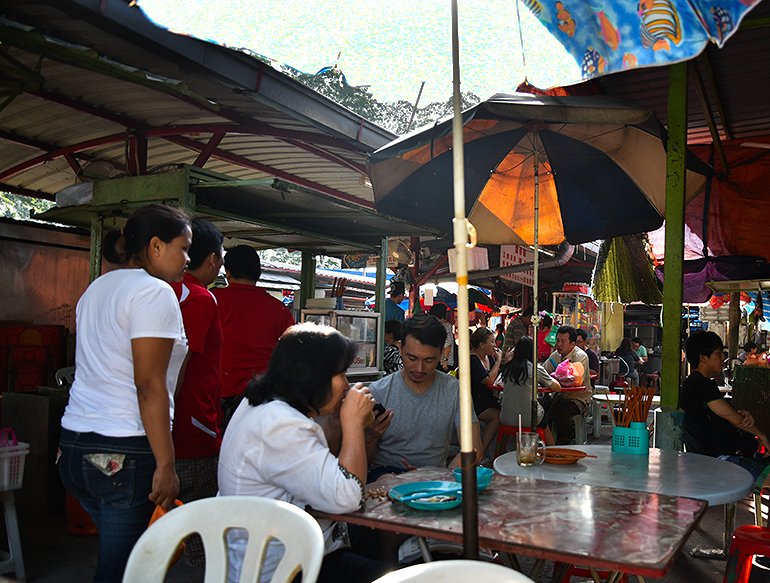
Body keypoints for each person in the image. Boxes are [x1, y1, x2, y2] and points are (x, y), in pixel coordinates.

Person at [58, 204, 190, 583]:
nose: (187, 259)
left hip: (73, 447)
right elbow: (148, 385)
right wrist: (166, 465)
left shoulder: (96, 289)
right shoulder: (154, 293)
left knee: (123, 559)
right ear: (155, 246)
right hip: (123, 451)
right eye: (182, 247)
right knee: (125, 572)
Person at [218, 323, 390, 583]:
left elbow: (320, 468)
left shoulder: (263, 404)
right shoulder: (281, 425)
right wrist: (353, 422)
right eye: (341, 374)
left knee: (367, 537)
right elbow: (348, 498)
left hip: (280, 549)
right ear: (314, 376)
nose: (346, 385)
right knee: (392, 575)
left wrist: (335, 420)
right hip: (280, 570)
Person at [168, 218, 224, 566]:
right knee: (201, 529)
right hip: (191, 424)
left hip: (158, 426)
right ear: (213, 259)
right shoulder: (200, 298)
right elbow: (179, 365)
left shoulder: (160, 289)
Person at [366, 313, 482, 481]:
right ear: (400, 348)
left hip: (435, 482)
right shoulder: (379, 392)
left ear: (441, 353)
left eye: (429, 360)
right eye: (412, 358)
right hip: (385, 479)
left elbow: (473, 449)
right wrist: (370, 436)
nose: (419, 368)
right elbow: (363, 461)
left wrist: (439, 478)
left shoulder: (455, 390)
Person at [212, 245, 294, 430]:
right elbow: (292, 353)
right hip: (262, 399)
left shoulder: (212, 300)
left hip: (218, 397)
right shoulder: (278, 309)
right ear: (258, 272)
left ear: (228, 272)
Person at [679, 331, 770, 479]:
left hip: (714, 457)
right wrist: (762, 435)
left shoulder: (698, 383)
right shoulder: (700, 384)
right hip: (716, 461)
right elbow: (734, 419)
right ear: (703, 357)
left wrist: (741, 415)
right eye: (718, 353)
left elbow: (728, 414)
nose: (722, 358)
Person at [500, 336, 560, 445]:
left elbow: (498, 383)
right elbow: (557, 387)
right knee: (544, 420)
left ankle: (500, 452)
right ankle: (553, 450)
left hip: (505, 417)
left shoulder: (507, 368)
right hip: (530, 419)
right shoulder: (535, 368)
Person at [543, 326, 593, 445]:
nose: (559, 344)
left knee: (560, 413)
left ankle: (563, 443)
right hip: (559, 397)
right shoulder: (555, 356)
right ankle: (547, 442)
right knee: (541, 410)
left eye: (563, 341)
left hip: (578, 398)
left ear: (573, 344)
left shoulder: (580, 357)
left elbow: (574, 379)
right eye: (558, 340)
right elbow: (544, 371)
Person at [469, 327, 510, 456]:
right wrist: (499, 359)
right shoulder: (472, 360)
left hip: (488, 399)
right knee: (497, 416)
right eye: (491, 342)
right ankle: (481, 452)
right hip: (474, 402)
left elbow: (498, 376)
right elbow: (489, 381)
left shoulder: (488, 358)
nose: (494, 345)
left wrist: (506, 362)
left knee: (507, 413)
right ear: (482, 345)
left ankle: (499, 453)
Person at [429, 302, 454, 372]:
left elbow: (448, 344)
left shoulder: (444, 326)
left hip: (442, 361)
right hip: (441, 361)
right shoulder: (445, 326)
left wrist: (445, 360)